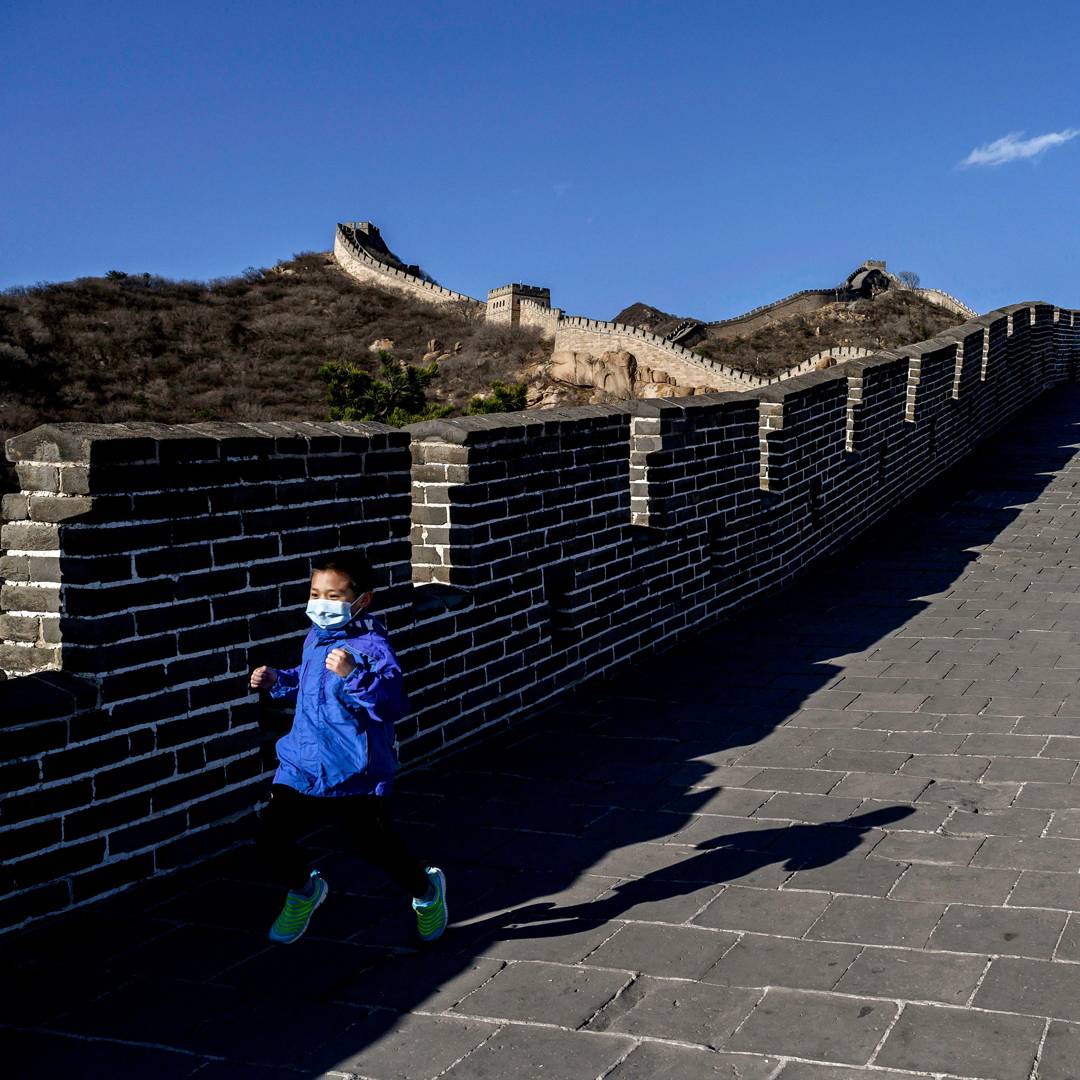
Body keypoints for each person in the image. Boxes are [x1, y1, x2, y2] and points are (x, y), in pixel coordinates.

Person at [248, 552, 447, 945]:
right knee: (269, 839)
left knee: (376, 848)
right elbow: (310, 684)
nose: (322, 603)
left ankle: (426, 894)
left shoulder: (372, 649)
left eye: (334, 596)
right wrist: (277, 680)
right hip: (302, 764)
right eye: (315, 593)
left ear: (361, 601)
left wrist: (354, 675)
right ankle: (305, 891)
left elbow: (392, 703)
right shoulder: (316, 639)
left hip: (354, 773)